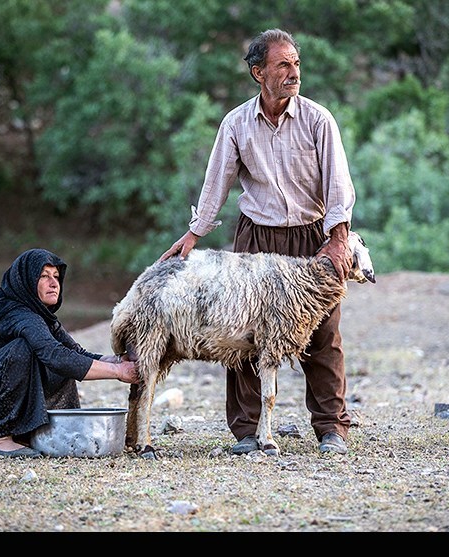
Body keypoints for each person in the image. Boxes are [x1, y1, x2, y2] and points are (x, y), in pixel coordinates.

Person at [159, 28, 357, 456]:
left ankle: (331, 428)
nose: (293, 72)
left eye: (296, 64)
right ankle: (247, 431)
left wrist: (338, 239)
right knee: (245, 334)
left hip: (311, 237)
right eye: (283, 64)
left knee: (323, 335)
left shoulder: (318, 119)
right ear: (258, 73)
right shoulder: (235, 123)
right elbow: (217, 185)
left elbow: (339, 185)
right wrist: (194, 234)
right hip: (256, 238)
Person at [0, 248, 139, 458]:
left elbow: (76, 353)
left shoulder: (41, 318)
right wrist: (118, 372)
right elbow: (56, 356)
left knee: (64, 357)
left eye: (56, 276)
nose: (53, 283)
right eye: (43, 276)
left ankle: (29, 434)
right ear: (26, 282)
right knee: (26, 351)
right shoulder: (17, 313)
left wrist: (119, 360)